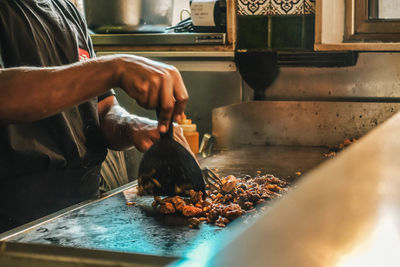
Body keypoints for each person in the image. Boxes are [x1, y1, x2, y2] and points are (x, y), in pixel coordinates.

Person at [0, 0, 189, 233]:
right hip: (16, 218)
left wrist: (131, 125)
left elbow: (102, 108)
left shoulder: (66, 10)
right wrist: (113, 69)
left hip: (85, 210)